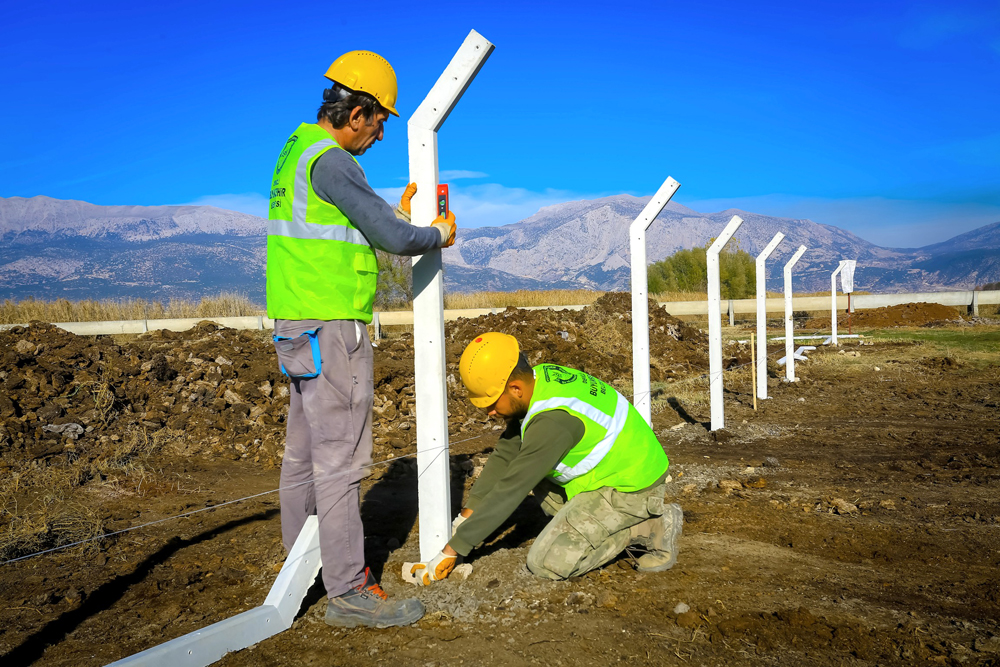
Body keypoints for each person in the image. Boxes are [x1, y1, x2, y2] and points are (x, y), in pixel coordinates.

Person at [266, 50, 456, 628]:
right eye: (379, 122)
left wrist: (384, 214)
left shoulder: (297, 152)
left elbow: (349, 225)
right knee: (342, 462)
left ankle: (301, 571)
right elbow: (395, 237)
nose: (379, 134)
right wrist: (435, 233)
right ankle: (347, 589)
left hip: (297, 327)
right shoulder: (333, 161)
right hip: (332, 330)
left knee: (303, 458)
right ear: (358, 111)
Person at [408, 332, 683, 585]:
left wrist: (453, 548)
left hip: (631, 485)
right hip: (606, 471)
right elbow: (506, 454)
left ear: (515, 388)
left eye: (491, 403)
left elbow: (511, 489)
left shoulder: (553, 422)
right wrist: (466, 516)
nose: (489, 412)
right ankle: (592, 524)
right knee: (533, 475)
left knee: (546, 562)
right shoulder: (537, 382)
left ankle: (647, 525)